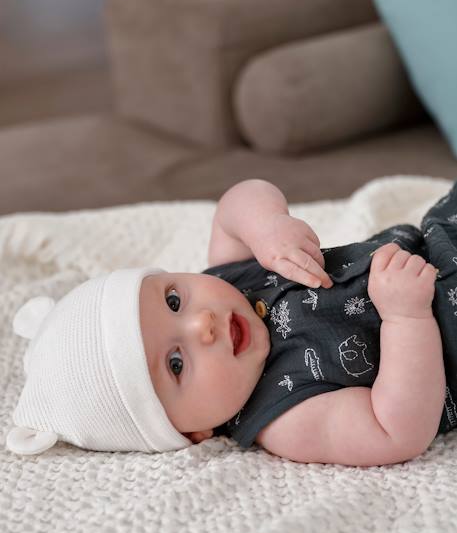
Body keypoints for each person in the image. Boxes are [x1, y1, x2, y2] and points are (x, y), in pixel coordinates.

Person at [6, 179, 456, 467]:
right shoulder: (284, 420)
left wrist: (267, 226)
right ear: (192, 432)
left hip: (440, 234)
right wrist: (405, 317)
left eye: (174, 300)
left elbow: (237, 203)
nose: (202, 324)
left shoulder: (229, 276)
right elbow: (394, 430)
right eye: (177, 363)